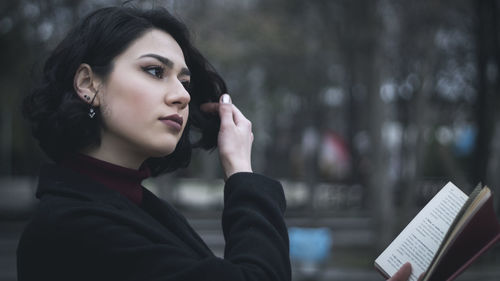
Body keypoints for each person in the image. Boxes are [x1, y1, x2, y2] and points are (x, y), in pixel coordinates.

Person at [17, 5, 413, 281]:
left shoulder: (137, 208)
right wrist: (240, 170)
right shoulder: (72, 227)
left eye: (184, 82)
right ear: (88, 84)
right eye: (155, 71)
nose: (181, 95)